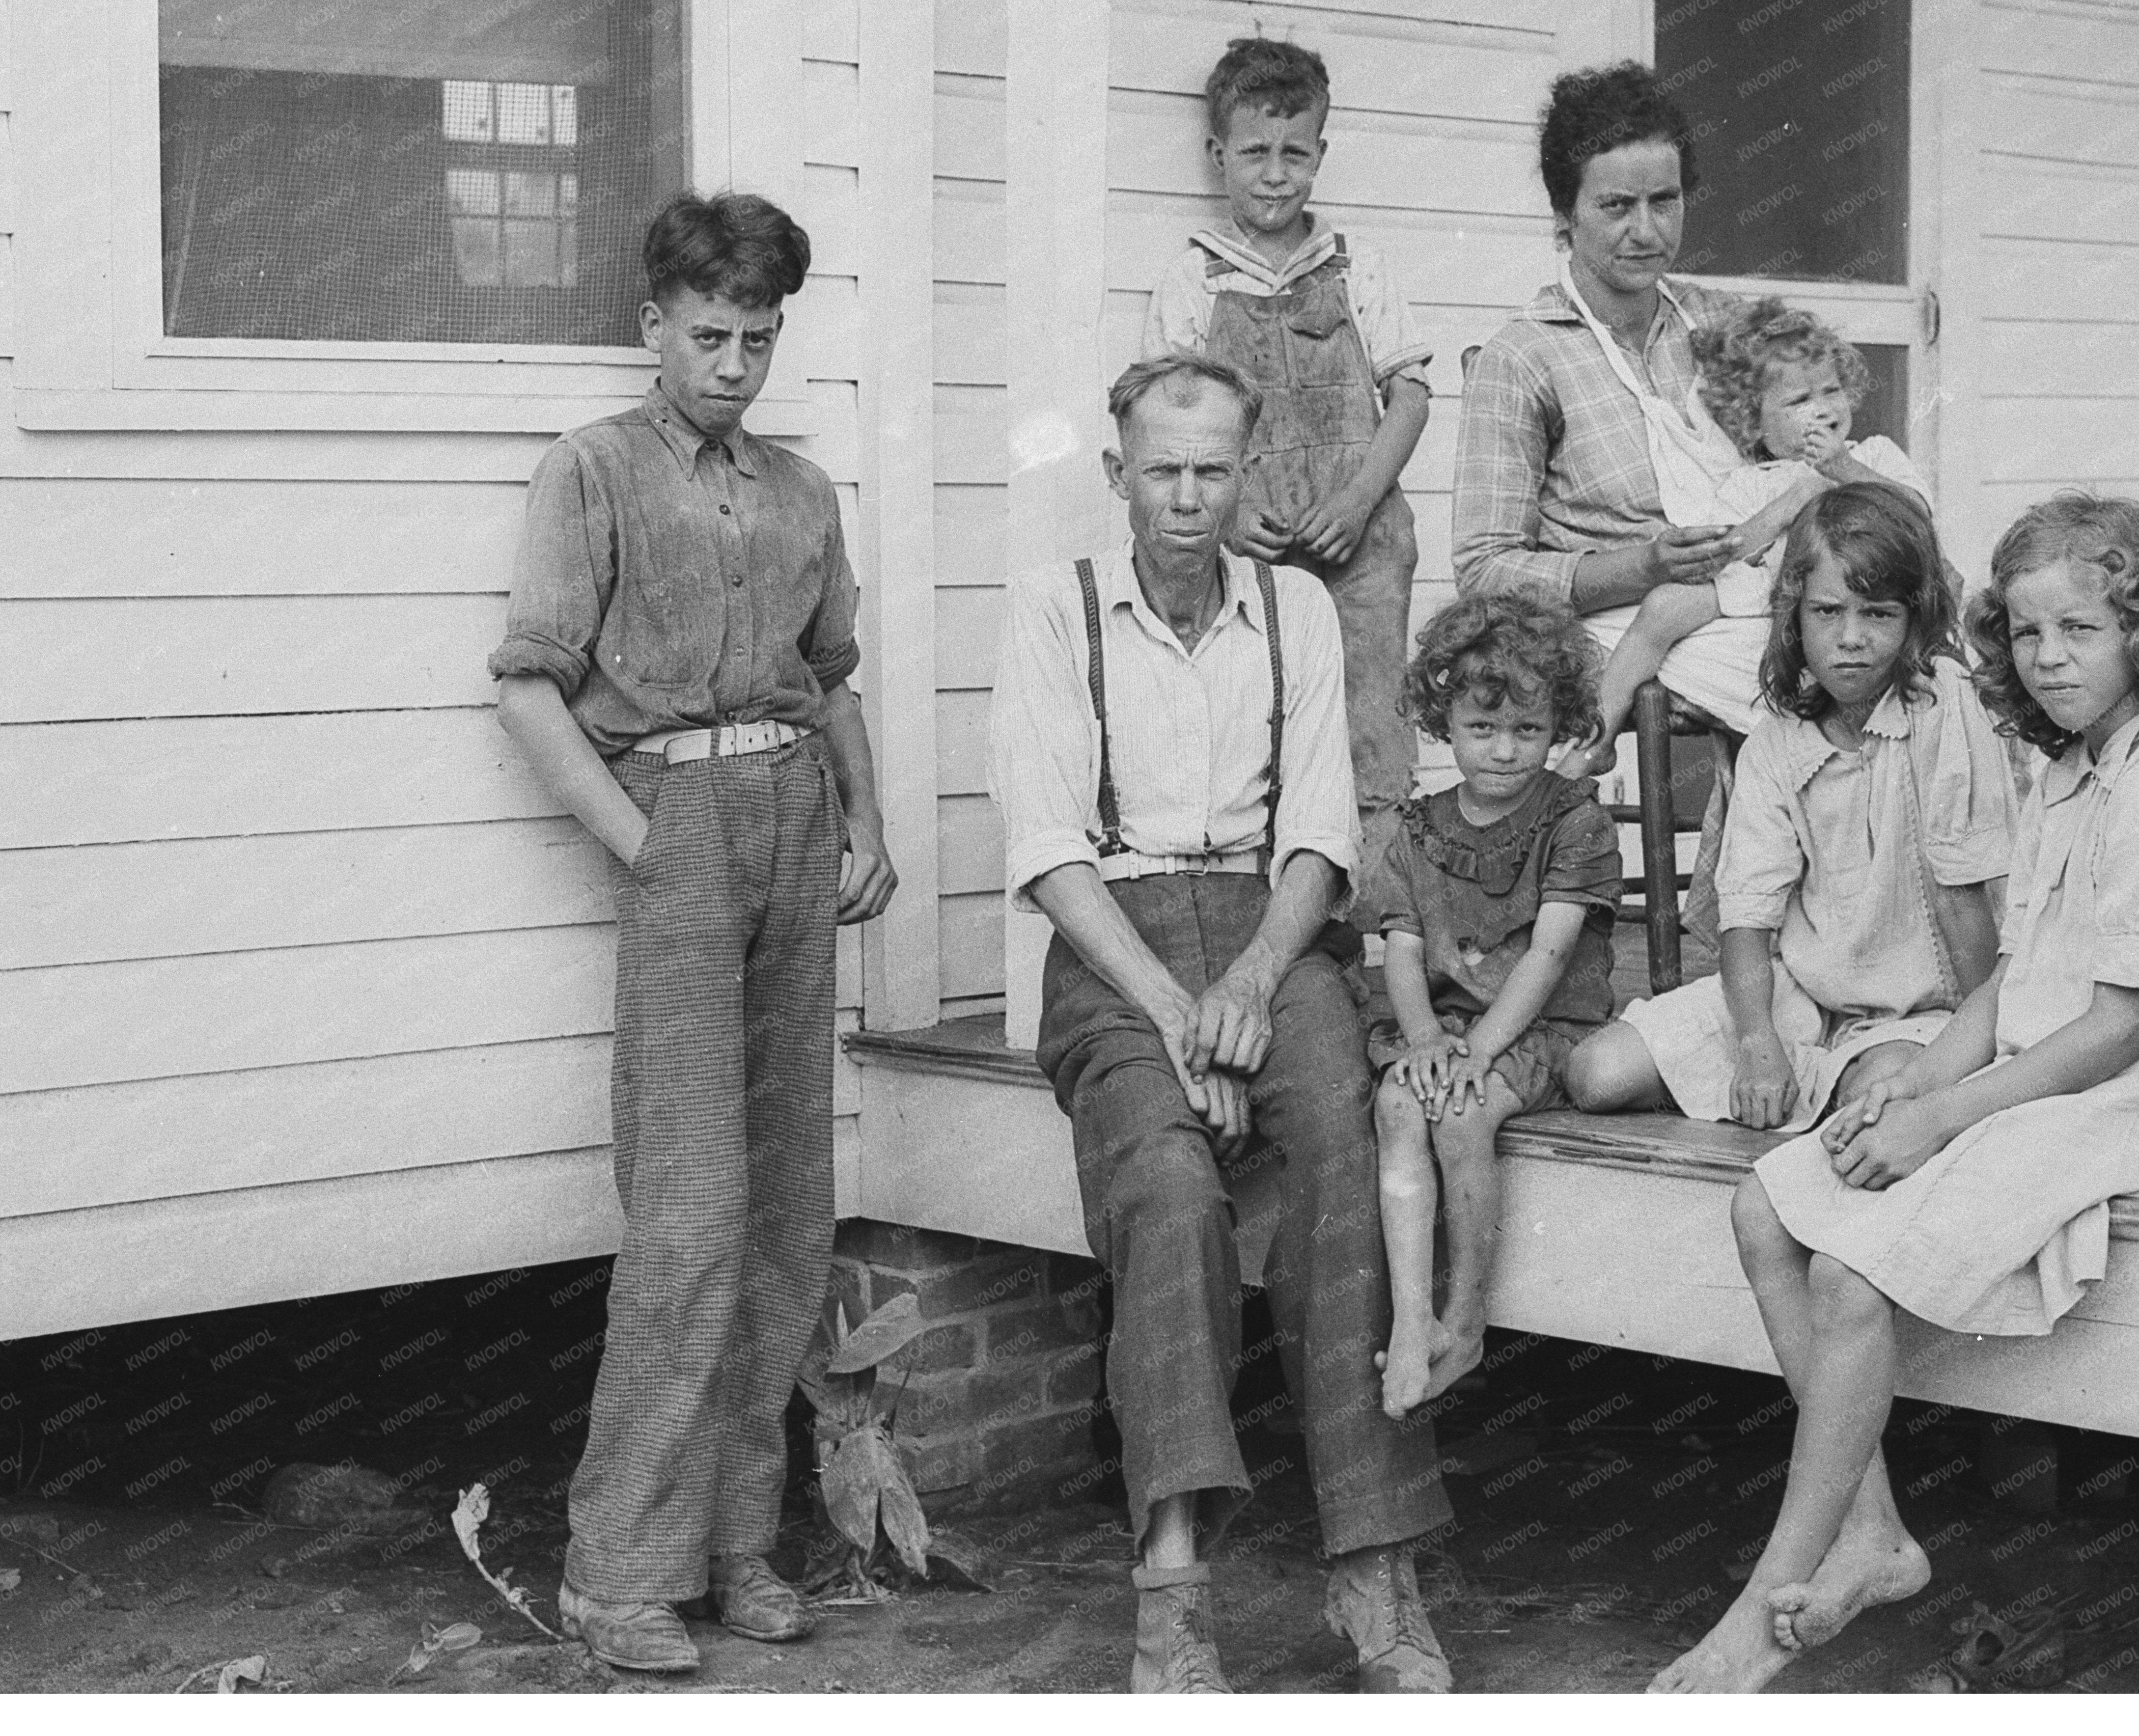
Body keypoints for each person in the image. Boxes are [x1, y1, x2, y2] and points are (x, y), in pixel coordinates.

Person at [1652, 493, 2139, 1693]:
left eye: (2081, 632)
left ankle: (1760, 1602)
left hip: (2109, 1093)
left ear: (2138, 635)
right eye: (2030, 634)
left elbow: (2111, 1028)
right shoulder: (2063, 766)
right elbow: (2006, 983)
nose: (2049, 662)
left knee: (1850, 1271)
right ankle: (1874, 1532)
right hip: (2014, 1066)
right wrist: (1919, 1084)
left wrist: (1942, 1114)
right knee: (1762, 1205)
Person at [990, 352, 1455, 1695]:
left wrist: (1251, 985)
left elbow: (1319, 831)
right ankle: (1174, 1583)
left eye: (1212, 470)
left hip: (1271, 930)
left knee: (1343, 1164)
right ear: (1117, 473)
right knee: (1169, 1188)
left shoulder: (1295, 606)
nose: (1187, 498)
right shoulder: (1053, 606)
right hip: (1114, 942)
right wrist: (1179, 1013)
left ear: (1243, 469)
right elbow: (1046, 843)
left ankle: (1374, 1568)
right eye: (1162, 470)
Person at [488, 191, 898, 1675]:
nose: (733, 362)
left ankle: (737, 1547)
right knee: (689, 1214)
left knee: (789, 1209)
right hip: (680, 827)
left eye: (759, 337)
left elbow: (832, 676)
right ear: (652, 324)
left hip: (795, 824)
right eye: (708, 333)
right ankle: (618, 1569)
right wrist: (642, 843)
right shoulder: (592, 470)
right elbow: (530, 684)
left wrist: (869, 821)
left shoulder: (800, 491)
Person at [1564, 481, 2012, 1130]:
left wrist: (1978, 1053)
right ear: (1793, 614)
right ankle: (1809, 1085)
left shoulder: (1942, 703)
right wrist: (1757, 1044)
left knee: (1882, 1099)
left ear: (1915, 619)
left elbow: (1962, 897)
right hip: (1803, 993)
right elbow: (1747, 914)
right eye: (1827, 612)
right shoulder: (1778, 737)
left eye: (1879, 614)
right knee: (1596, 1074)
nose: (1850, 638)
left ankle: (1834, 1091)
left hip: (1925, 1007)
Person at [1146, 36, 1431, 869]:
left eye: (1294, 154)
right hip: (1248, 553)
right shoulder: (1194, 279)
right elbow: (1169, 421)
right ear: (1218, 155)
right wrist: (1227, 518)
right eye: (1255, 153)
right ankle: (1277, 938)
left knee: (1371, 733)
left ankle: (1376, 939)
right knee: (1254, 732)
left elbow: (1410, 397)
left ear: (1320, 154)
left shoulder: (1355, 265)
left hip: (1361, 548)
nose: (1275, 174)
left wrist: (1357, 502)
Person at [1361, 597, 1625, 1419]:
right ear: (1447, 722)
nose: (1505, 752)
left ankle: (1467, 1321)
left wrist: (1479, 1052)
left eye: (1528, 730)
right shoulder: (1418, 829)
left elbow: (1548, 955)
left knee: (1463, 1115)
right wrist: (1427, 1038)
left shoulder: (1573, 822)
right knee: (1401, 1102)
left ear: (1560, 726)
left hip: (1538, 1027)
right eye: (1483, 729)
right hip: (1443, 1025)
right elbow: (1402, 949)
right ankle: (1412, 1320)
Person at [1451, 61, 1765, 739]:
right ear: (1566, 213)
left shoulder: (1722, 326)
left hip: (1748, 597)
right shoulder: (1526, 356)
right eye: (1617, 206)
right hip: (1628, 629)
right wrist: (1642, 565)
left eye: (1665, 200)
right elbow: (1484, 569)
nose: (1646, 231)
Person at [1568, 299, 1931, 776]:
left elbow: (1919, 515)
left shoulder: (1874, 456)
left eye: (1831, 391)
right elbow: (1730, 549)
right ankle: (1598, 737)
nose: (1822, 409)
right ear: (1753, 420)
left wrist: (1842, 467)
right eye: (1800, 401)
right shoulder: (1754, 481)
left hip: (1853, 587)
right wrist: (1788, 501)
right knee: (1662, 605)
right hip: (1767, 585)